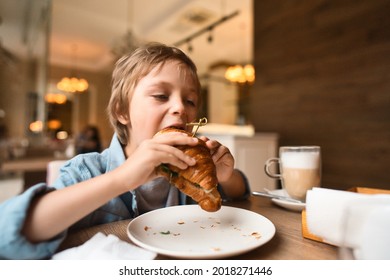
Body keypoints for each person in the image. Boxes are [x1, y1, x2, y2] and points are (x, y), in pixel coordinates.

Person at [0, 42, 250, 259]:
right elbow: (9, 234)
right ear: (122, 111)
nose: (179, 108)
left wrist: (225, 177)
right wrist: (120, 179)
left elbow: (240, 195)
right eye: (161, 96)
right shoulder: (88, 169)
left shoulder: (191, 170)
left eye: (190, 101)